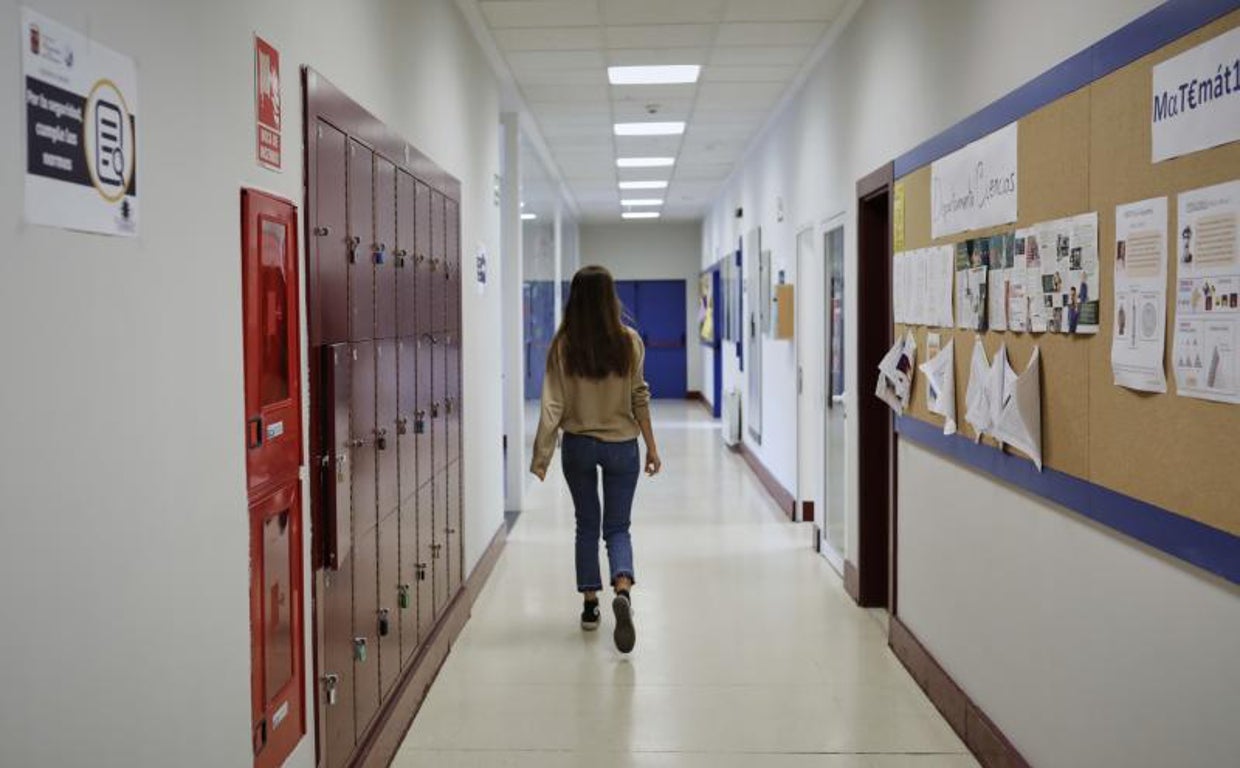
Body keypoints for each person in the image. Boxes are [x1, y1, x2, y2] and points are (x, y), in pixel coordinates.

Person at [530, 265, 661, 654]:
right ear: (610, 299)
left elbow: (552, 404)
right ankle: (622, 586)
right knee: (617, 527)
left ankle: (590, 606)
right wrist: (652, 447)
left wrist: (541, 455)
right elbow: (640, 396)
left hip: (579, 445)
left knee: (586, 525)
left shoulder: (563, 344)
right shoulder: (630, 341)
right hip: (622, 444)